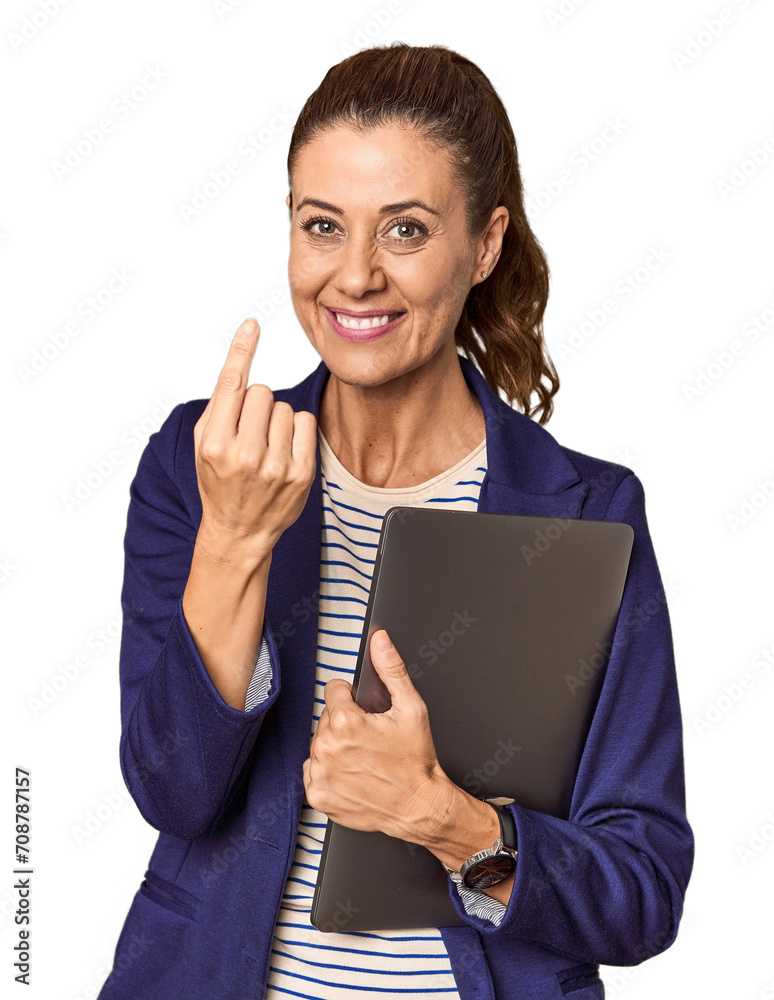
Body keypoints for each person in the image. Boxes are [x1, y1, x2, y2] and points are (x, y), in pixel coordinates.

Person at [97, 42, 694, 1000]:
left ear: (486, 243)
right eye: (322, 225)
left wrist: (448, 821)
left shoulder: (585, 512)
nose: (356, 276)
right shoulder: (205, 461)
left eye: (406, 230)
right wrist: (237, 543)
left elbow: (645, 889)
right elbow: (173, 791)